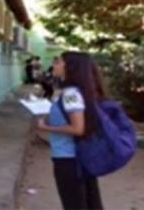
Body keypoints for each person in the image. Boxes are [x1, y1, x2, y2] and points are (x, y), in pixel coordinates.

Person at [36, 52, 105, 210]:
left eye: (58, 62)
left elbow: (77, 128)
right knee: (89, 203)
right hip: (80, 156)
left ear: (70, 68)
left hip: (68, 159)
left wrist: (45, 127)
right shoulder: (81, 91)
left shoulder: (70, 94)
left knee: (74, 204)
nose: (54, 65)